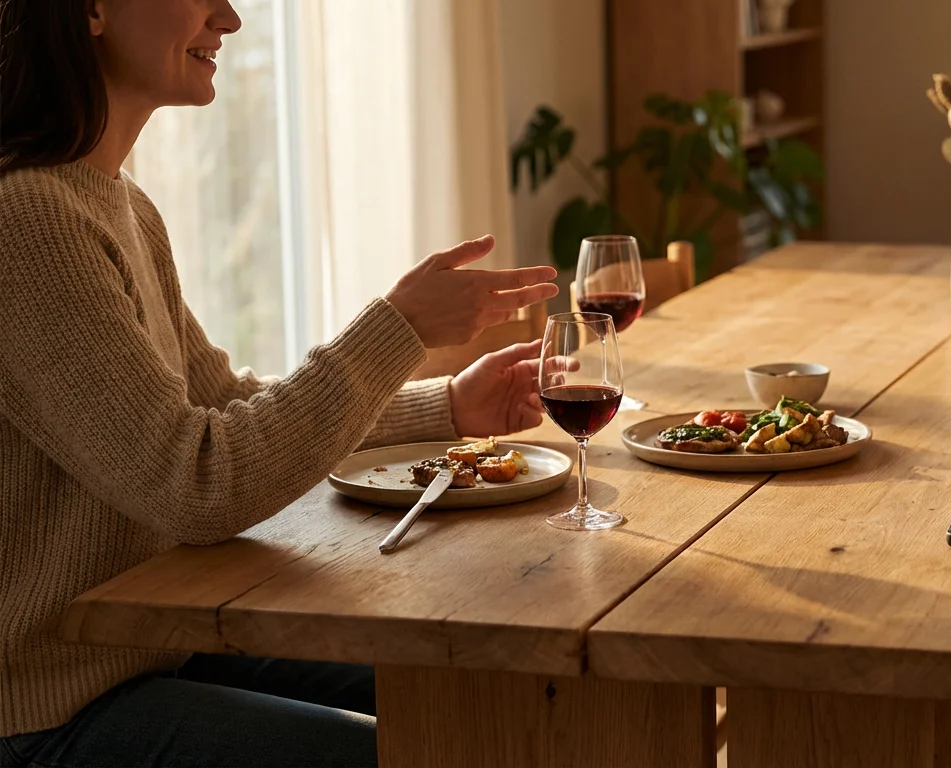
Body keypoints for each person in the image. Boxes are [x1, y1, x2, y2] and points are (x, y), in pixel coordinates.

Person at [0, 0, 560, 765]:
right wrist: (398, 327)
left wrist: (450, 405)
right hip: (47, 704)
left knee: (493, 682)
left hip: (152, 644)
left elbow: (223, 407)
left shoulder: (119, 204)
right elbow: (199, 484)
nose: (228, 18)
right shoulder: (27, 219)